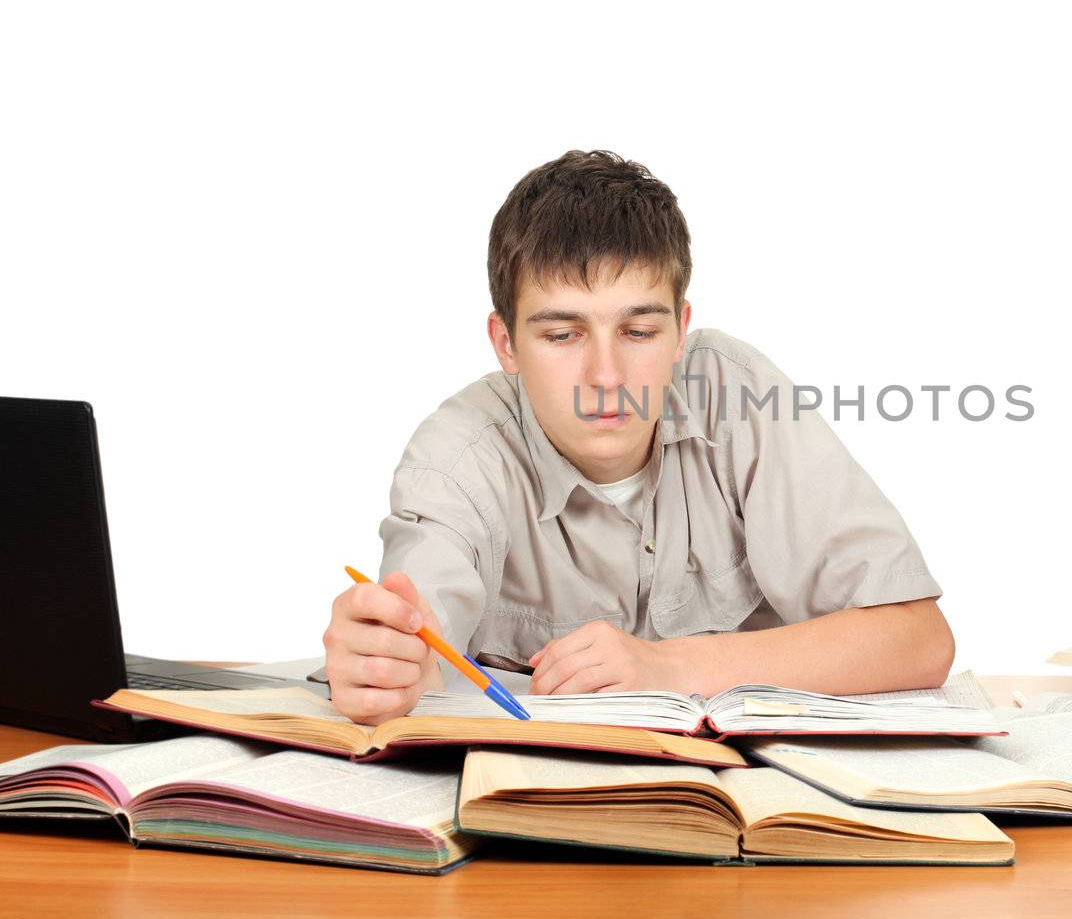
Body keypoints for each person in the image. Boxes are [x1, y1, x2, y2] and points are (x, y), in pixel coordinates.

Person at [322, 149, 954, 724]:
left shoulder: (738, 397)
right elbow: (419, 625)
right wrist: (386, 664)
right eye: (562, 335)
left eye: (638, 332)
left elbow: (919, 639)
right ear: (506, 344)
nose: (605, 377)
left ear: (681, 330)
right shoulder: (457, 454)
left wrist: (671, 669)